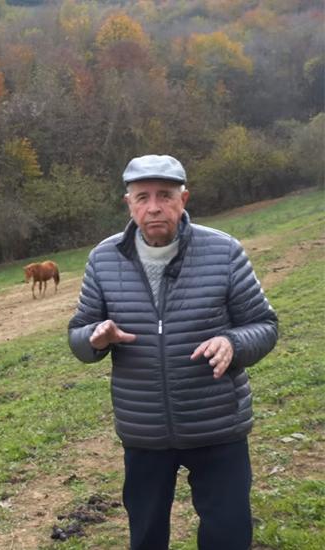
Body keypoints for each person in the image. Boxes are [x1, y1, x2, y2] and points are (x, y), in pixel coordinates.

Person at [68, 154, 278, 550]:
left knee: (228, 534)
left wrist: (233, 343)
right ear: (128, 203)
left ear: (184, 198)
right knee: (146, 536)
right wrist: (94, 339)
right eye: (142, 196)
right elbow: (78, 334)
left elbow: (265, 325)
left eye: (164, 195)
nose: (153, 207)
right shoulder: (104, 259)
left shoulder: (223, 251)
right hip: (143, 431)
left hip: (218, 425)